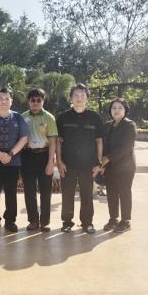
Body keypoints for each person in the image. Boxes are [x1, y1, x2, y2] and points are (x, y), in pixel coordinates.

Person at [56, 83, 104, 234]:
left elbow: (99, 141)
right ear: (71, 98)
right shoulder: (63, 117)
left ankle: (87, 223)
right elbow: (58, 141)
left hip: (88, 164)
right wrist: (59, 162)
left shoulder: (95, 117)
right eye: (76, 95)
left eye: (83, 95)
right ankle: (67, 222)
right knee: (67, 194)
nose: (79, 98)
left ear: (87, 98)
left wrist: (99, 163)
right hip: (68, 163)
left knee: (87, 195)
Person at [0, 87, 30, 233]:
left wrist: (10, 154)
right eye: (1, 98)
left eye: (7, 98)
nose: (4, 101)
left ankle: (10, 221)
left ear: (11, 101)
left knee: (11, 192)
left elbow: (24, 138)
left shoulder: (18, 118)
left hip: (13, 162)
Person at [21, 88, 58, 232]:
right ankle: (33, 221)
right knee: (29, 190)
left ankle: (45, 222)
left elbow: (53, 141)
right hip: (27, 156)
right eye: (33, 100)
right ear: (29, 102)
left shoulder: (49, 118)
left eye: (39, 100)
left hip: (44, 156)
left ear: (43, 101)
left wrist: (51, 162)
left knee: (45, 191)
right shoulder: (22, 117)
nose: (35, 103)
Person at [101, 98, 137, 233]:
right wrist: (101, 162)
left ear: (125, 110)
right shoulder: (107, 125)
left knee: (124, 192)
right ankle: (113, 218)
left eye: (120, 108)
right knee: (111, 193)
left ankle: (126, 220)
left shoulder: (129, 125)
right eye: (114, 108)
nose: (116, 110)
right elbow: (103, 144)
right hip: (109, 166)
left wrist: (107, 158)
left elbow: (127, 146)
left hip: (125, 166)